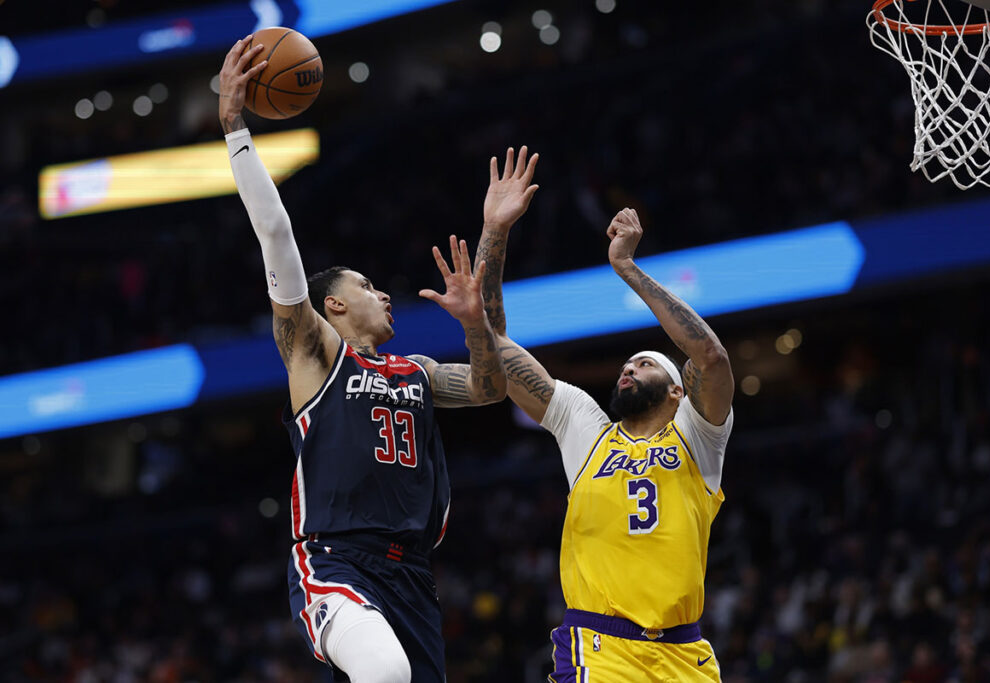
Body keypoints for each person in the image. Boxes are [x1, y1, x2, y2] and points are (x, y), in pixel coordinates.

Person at [218, 37, 517, 683]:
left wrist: (476, 326)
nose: (384, 293)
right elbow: (277, 234)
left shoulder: (416, 372)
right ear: (332, 305)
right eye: (367, 285)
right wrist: (235, 127)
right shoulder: (315, 354)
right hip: (335, 561)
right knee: (383, 671)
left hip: (411, 572)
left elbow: (492, 387)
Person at [474, 169, 735, 681]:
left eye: (644, 364)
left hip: (686, 655)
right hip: (601, 647)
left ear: (677, 391)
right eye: (626, 366)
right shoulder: (586, 427)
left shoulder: (697, 436)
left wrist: (627, 268)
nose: (628, 369)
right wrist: (495, 231)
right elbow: (494, 346)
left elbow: (711, 355)